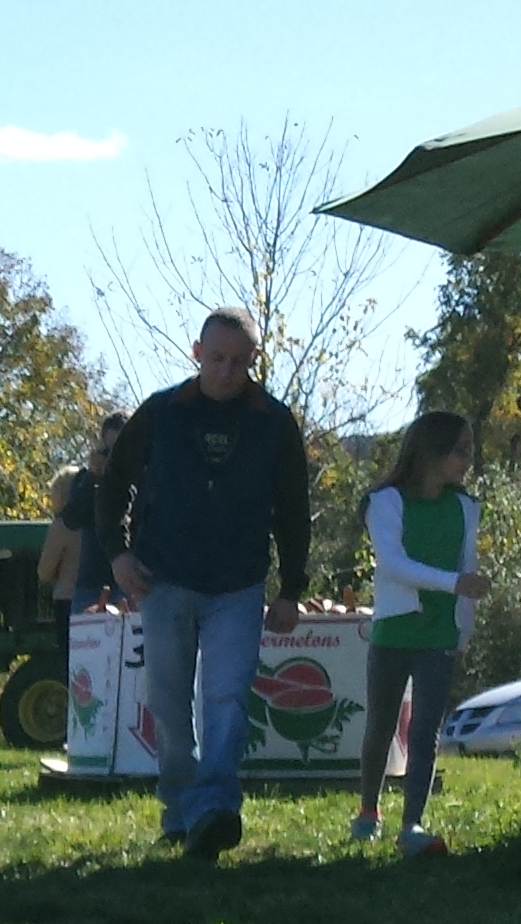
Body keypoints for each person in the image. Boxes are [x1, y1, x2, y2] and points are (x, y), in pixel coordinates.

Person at [96, 311, 311, 857]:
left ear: (254, 361)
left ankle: (215, 809)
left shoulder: (274, 421)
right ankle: (179, 808)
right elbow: (114, 481)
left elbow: (293, 508)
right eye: (217, 358)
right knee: (168, 702)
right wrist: (117, 554)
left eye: (239, 361)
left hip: (238, 583)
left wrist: (291, 588)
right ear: (197, 352)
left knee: (226, 697)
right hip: (163, 576)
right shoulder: (162, 412)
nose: (227, 370)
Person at [351, 410, 478, 858]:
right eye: (460, 450)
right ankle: (369, 809)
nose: (467, 459)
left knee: (425, 731)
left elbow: (469, 570)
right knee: (381, 725)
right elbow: (393, 564)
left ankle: (413, 824)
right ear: (433, 450)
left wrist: (463, 632)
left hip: (440, 634)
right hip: (393, 631)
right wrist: (453, 584)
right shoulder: (385, 501)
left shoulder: (465, 507)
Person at [38, 413, 128, 691]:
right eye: (107, 448)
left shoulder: (143, 473)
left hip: (129, 583)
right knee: (84, 672)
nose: (113, 455)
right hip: (90, 584)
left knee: (127, 671)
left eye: (119, 447)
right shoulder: (86, 480)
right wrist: (94, 476)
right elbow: (72, 518)